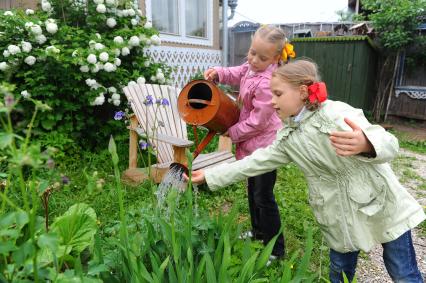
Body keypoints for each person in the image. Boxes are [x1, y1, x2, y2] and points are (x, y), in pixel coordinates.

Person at [189, 59, 426, 282]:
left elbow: (388, 141)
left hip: (378, 200)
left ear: (302, 92)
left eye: (278, 94)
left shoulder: (335, 113)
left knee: (402, 270)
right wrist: (210, 176)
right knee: (340, 270)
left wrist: (366, 143)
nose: (272, 101)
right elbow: (254, 162)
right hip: (337, 212)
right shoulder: (289, 138)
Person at [203, 25, 295, 259]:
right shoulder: (252, 67)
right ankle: (258, 232)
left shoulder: (268, 82)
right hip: (252, 145)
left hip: (264, 147)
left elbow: (258, 122)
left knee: (264, 197)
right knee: (253, 191)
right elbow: (238, 72)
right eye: (252, 52)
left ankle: (276, 249)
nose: (253, 60)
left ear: (275, 58)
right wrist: (219, 73)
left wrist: (232, 133)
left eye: (262, 57)